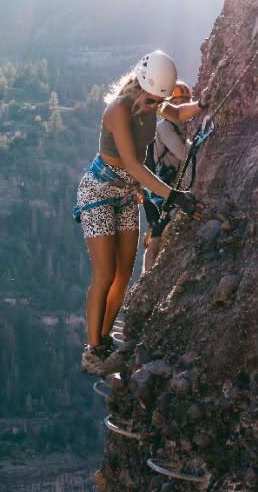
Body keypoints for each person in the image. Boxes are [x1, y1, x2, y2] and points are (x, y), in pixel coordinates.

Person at [73, 51, 205, 375]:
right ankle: (93, 351)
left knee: (123, 273)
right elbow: (132, 162)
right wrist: (173, 195)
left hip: (127, 192)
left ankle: (104, 339)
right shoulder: (118, 110)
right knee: (104, 273)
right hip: (99, 191)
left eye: (157, 102)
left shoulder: (155, 103)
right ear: (140, 88)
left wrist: (205, 105)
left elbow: (177, 113)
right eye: (150, 102)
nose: (153, 108)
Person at [142, 81, 194, 273]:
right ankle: (145, 281)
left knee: (160, 233)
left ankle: (148, 277)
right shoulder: (164, 127)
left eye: (185, 101)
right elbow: (182, 154)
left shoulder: (177, 126)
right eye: (178, 102)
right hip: (157, 190)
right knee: (156, 236)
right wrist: (196, 142)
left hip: (162, 187)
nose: (181, 106)